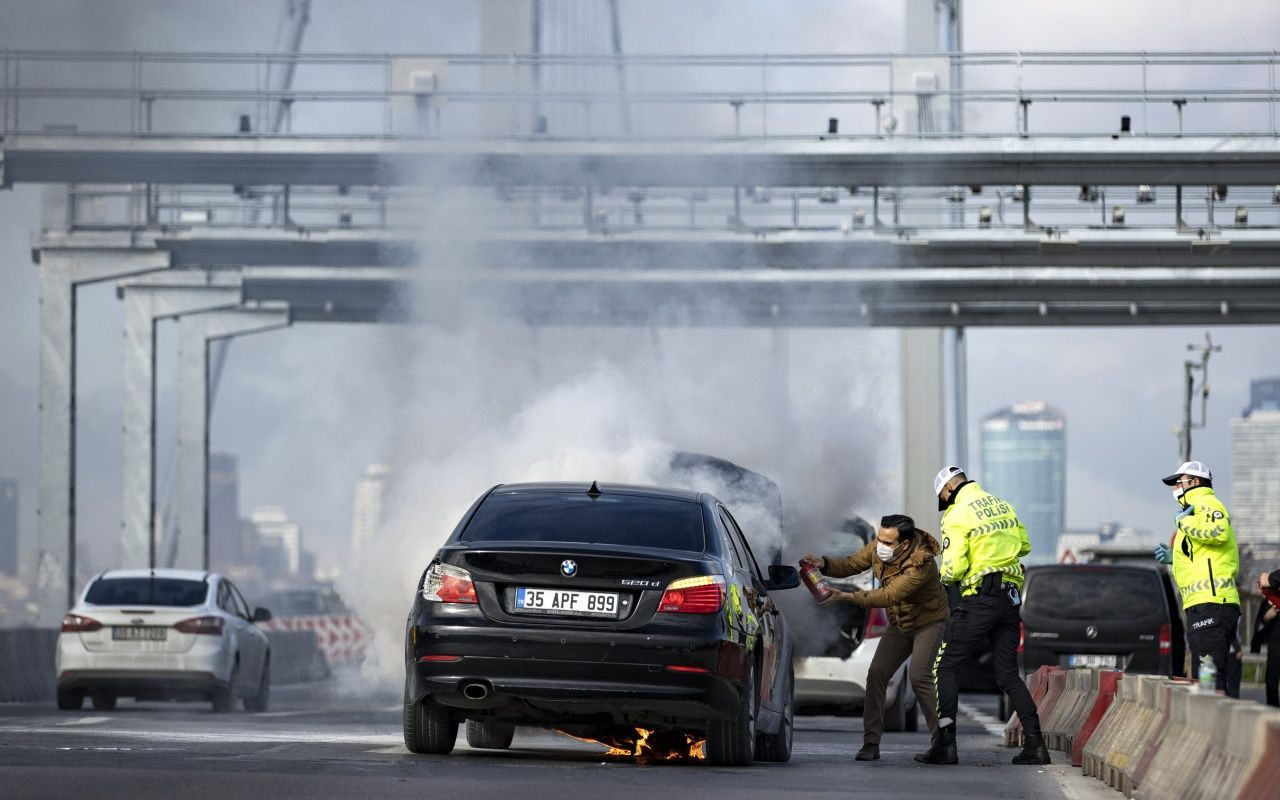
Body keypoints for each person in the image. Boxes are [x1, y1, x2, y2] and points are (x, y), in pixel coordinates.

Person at [801, 514, 949, 763]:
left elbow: (888, 595)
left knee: (919, 675)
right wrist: (822, 563)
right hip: (900, 623)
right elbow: (850, 565)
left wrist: (845, 597)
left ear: (904, 544)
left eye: (888, 542)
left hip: (928, 623)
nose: (881, 545)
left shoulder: (921, 563)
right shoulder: (879, 549)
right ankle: (871, 744)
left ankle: (943, 744)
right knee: (877, 673)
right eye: (880, 538)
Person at [928, 466, 1049, 766]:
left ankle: (946, 745)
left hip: (979, 599)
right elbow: (1025, 545)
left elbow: (953, 567)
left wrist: (945, 580)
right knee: (1007, 674)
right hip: (1009, 601)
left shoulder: (956, 514)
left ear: (946, 492)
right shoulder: (1003, 505)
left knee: (945, 666)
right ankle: (1035, 745)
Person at [1154, 461, 1242, 697]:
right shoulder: (1194, 509)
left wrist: (1184, 521)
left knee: (1209, 677)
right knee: (1208, 676)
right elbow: (1203, 556)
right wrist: (1175, 558)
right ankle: (1221, 729)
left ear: (1195, 482)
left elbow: (1218, 532)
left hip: (1213, 603)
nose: (1175, 488)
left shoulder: (1206, 504)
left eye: (1178, 482)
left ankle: (1221, 730)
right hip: (1202, 605)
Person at [1253, 568, 1280, 707]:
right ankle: (1273, 710)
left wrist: (1269, 578)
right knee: (1271, 679)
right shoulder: (1270, 601)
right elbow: (1260, 622)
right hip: (1275, 641)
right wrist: (1267, 616)